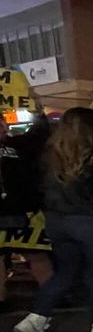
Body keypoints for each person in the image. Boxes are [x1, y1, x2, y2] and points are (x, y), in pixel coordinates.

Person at [14, 108, 93, 332]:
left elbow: (38, 190)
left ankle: (35, 318)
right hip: (90, 222)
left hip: (57, 221)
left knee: (64, 273)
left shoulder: (49, 157)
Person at [0, 108, 52, 309]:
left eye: (3, 122)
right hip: (22, 210)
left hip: (24, 211)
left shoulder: (18, 144)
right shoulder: (17, 145)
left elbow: (39, 134)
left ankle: (51, 296)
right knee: (34, 255)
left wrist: (38, 112)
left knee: (36, 254)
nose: (3, 127)